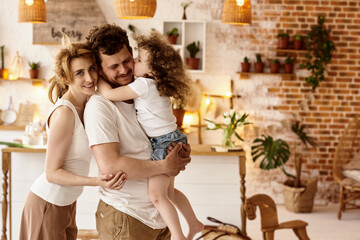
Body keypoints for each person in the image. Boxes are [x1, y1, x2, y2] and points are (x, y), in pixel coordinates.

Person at [84, 23, 191, 240]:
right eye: (114, 66)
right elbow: (111, 167)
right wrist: (164, 165)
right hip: (127, 218)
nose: (124, 70)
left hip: (158, 217)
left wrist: (178, 151)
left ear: (132, 53)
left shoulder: (141, 91)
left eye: (126, 61)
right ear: (100, 69)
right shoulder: (99, 106)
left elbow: (158, 133)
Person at [19, 37, 126, 240]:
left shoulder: (88, 104)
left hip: (66, 204)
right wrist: (96, 181)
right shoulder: (65, 113)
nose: (90, 78)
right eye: (80, 73)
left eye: (92, 69)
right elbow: (52, 173)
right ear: (66, 79)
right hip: (47, 203)